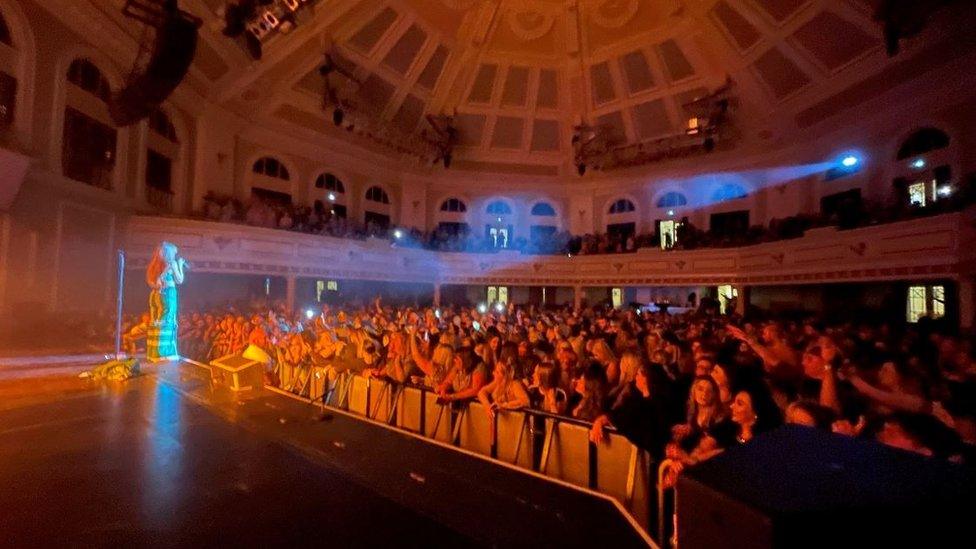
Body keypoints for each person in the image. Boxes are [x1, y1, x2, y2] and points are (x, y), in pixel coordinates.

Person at [145, 241, 186, 362]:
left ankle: (153, 352)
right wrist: (180, 265)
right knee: (167, 320)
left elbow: (151, 282)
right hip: (167, 294)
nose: (175, 255)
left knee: (156, 321)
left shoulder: (154, 265)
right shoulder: (171, 263)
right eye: (174, 253)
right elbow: (180, 280)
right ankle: (164, 352)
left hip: (155, 295)